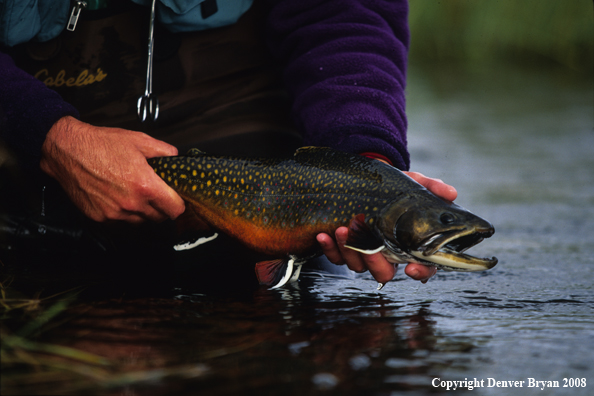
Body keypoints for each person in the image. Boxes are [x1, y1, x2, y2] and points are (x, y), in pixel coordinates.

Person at [0, 0, 456, 287]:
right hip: (20, 102)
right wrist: (48, 133)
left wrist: (364, 154)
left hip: (234, 99)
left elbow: (345, 14)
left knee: (251, 286)